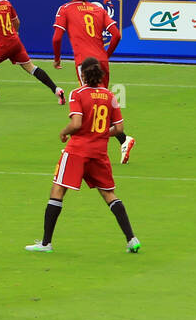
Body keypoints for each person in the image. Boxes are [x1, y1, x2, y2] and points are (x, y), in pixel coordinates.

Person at [25, 59, 141, 254]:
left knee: (58, 190)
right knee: (109, 194)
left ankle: (46, 243)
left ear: (84, 75)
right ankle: (131, 238)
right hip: (99, 152)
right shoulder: (110, 96)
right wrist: (102, 133)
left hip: (77, 151)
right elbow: (119, 128)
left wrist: (64, 132)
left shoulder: (77, 94)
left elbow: (77, 123)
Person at [52, 0, 135, 164]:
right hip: (101, 61)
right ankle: (122, 139)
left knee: (89, 103)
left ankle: (85, 147)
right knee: (101, 101)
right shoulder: (98, 9)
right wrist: (106, 55)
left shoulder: (65, 9)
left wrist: (57, 59)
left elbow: (57, 38)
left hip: (85, 62)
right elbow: (116, 35)